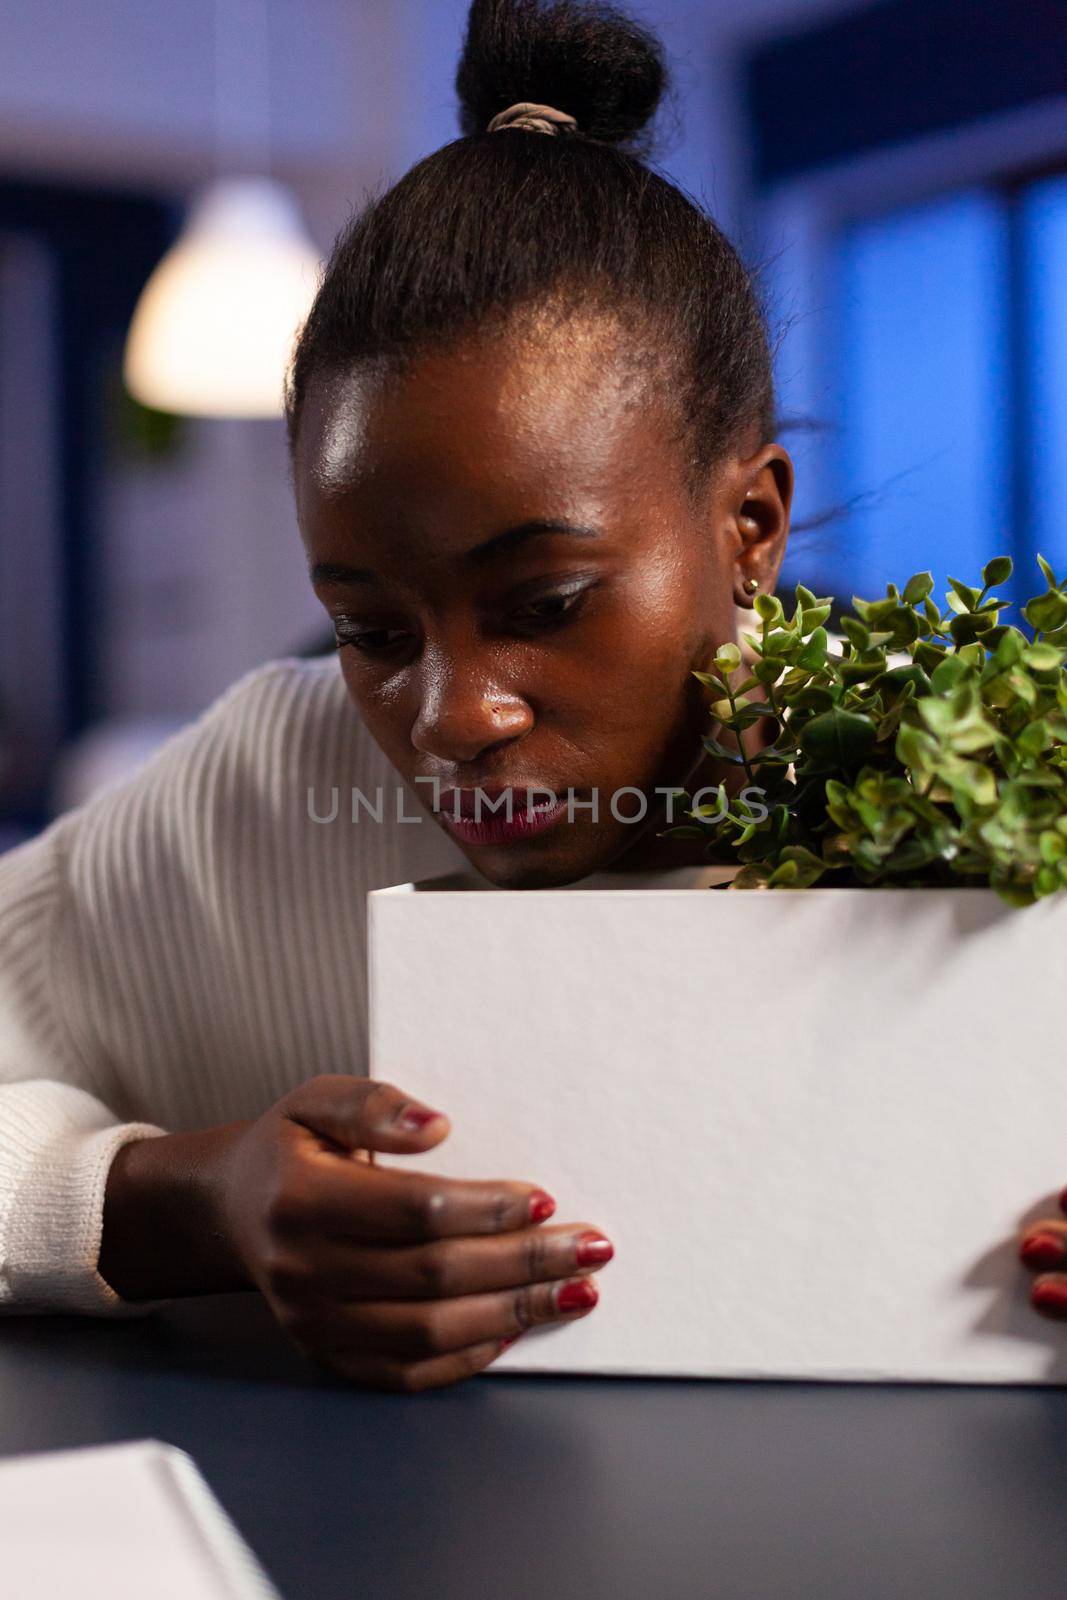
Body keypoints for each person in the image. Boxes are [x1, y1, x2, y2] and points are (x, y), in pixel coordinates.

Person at [2, 0, 1064, 1393]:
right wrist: (180, 1203)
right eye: (370, 625)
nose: (449, 716)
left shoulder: (1000, 777)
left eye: (546, 605)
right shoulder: (259, 784)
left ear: (750, 526)